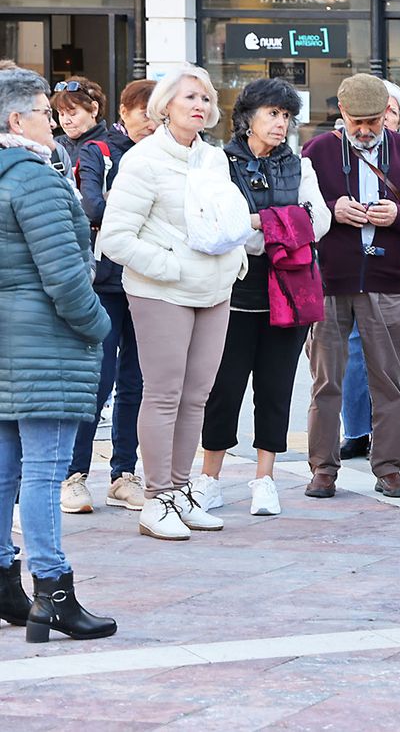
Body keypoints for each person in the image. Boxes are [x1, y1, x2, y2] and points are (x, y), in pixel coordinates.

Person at [99, 65, 246, 541]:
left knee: (196, 395)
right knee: (162, 394)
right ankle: (157, 498)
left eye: (206, 98)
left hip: (215, 290)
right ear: (165, 107)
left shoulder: (214, 158)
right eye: (190, 98)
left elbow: (225, 219)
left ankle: (181, 492)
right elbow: (116, 239)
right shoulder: (143, 161)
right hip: (162, 291)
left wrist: (236, 260)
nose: (200, 106)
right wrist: (169, 267)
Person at [0, 67, 116, 641]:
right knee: (45, 471)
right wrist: (97, 324)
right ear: (17, 120)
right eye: (45, 112)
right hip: (42, 340)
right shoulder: (35, 179)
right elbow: (66, 278)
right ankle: (53, 592)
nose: (53, 120)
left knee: (3, 469)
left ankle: (3, 582)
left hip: (6, 338)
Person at [192, 80, 331, 518]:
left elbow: (319, 222)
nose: (281, 123)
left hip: (287, 296)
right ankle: (210, 478)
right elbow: (221, 228)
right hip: (233, 294)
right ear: (247, 117)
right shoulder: (219, 161)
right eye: (272, 113)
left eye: (286, 116)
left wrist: (259, 224)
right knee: (223, 390)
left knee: (276, 390)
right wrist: (282, 225)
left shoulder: (299, 165)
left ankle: (265, 479)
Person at [302, 74, 400, 500]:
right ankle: (323, 468)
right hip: (328, 283)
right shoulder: (319, 150)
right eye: (356, 121)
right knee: (326, 381)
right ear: (341, 115)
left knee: (389, 381)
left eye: (373, 121)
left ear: (387, 115)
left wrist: (397, 215)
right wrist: (331, 210)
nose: (364, 130)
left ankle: (389, 468)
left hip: (387, 283)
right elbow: (297, 210)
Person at [60, 80, 145, 516]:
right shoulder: (100, 151)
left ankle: (124, 473)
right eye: (145, 112)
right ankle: (74, 475)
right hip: (106, 280)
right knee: (99, 379)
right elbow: (92, 208)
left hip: (150, 280)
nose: (152, 122)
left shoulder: (168, 154)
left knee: (136, 382)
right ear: (124, 112)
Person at [49, 77, 107, 166]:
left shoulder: (111, 146)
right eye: (61, 114)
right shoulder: (54, 146)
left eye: (73, 114)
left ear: (94, 109)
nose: (66, 121)